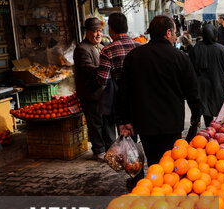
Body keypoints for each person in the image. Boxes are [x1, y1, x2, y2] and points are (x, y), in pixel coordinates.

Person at [116, 15, 201, 170]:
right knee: (170, 163)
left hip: (145, 122)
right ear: (168, 33)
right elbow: (192, 90)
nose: (176, 36)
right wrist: (196, 114)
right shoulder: (180, 57)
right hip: (171, 122)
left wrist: (123, 119)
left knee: (153, 161)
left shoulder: (134, 56)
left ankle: (153, 187)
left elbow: (124, 91)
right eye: (175, 32)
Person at [74, 17, 115, 161]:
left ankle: (110, 148)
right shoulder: (82, 49)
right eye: (94, 31)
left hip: (103, 92)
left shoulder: (101, 46)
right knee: (95, 123)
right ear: (87, 32)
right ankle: (99, 151)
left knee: (107, 122)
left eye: (100, 31)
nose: (98, 34)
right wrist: (106, 69)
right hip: (91, 94)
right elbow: (87, 68)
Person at [96, 12, 140, 127]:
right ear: (127, 27)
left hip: (120, 101)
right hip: (139, 98)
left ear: (110, 29)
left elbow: (103, 79)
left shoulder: (107, 50)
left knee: (125, 136)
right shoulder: (140, 47)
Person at [189, 24, 224, 127]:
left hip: (202, 87)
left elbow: (191, 69)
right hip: (218, 84)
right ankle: (220, 133)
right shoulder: (221, 49)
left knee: (207, 112)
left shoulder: (196, 48)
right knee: (221, 114)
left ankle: (209, 131)